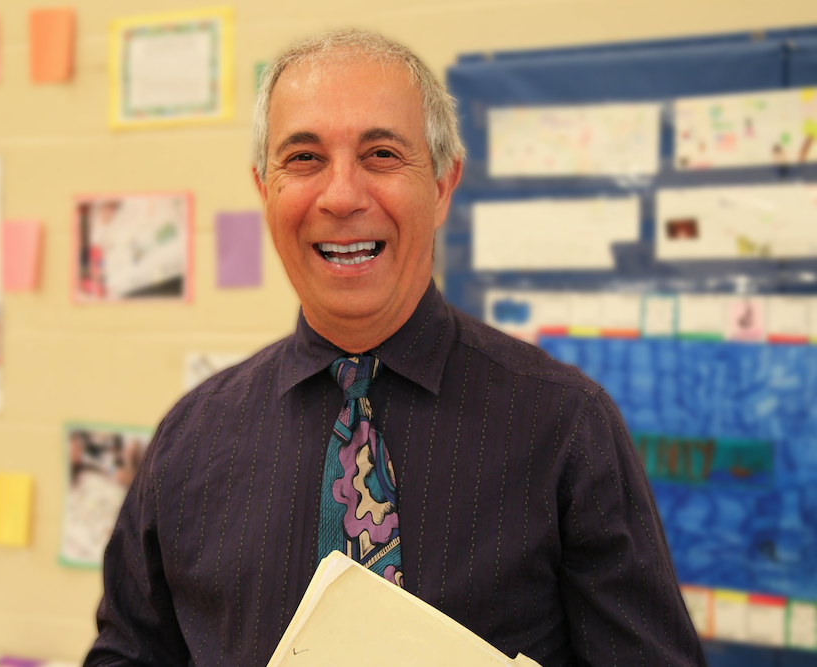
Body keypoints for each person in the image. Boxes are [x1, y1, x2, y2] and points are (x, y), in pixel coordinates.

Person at [85, 30, 706, 667]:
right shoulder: (191, 439)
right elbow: (127, 653)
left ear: (441, 187)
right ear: (263, 189)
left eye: (381, 154)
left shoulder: (567, 426)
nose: (342, 195)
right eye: (303, 159)